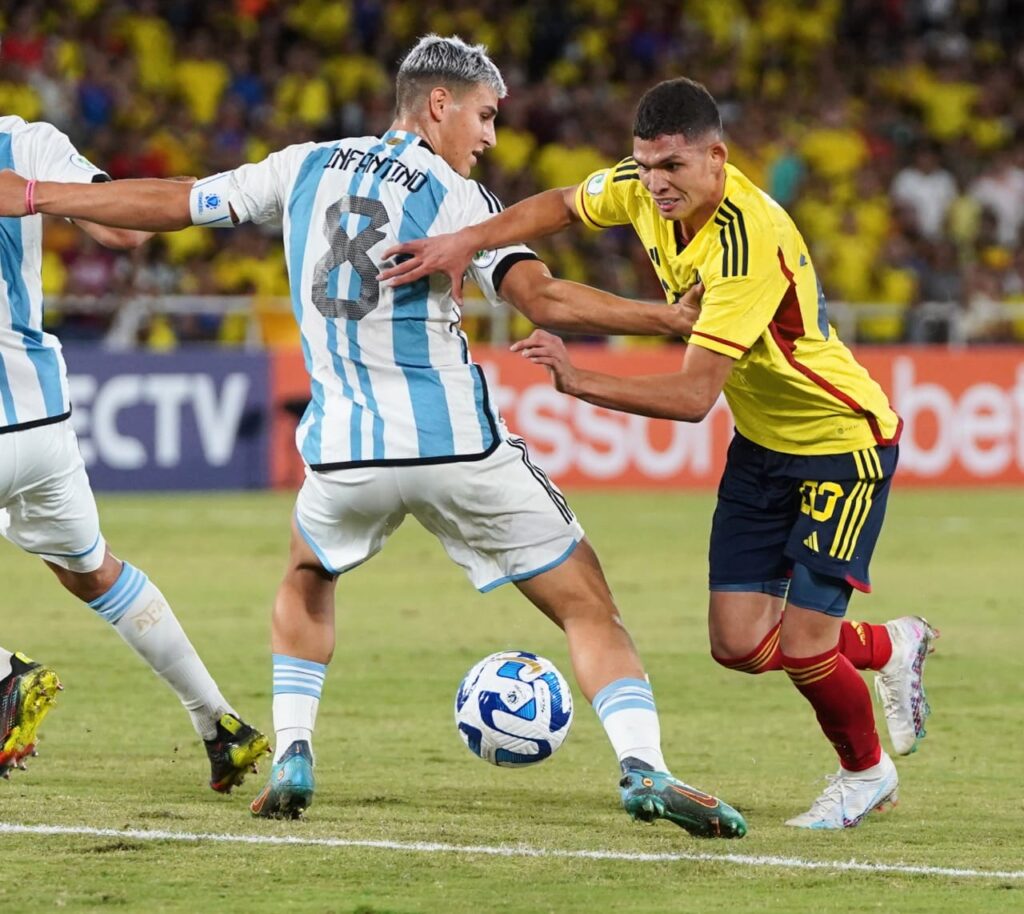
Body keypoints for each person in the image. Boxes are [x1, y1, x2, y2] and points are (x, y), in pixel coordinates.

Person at [0, 37, 748, 838]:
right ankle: (643, 764)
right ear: (438, 104)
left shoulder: (301, 165)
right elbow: (546, 300)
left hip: (346, 453)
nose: (490, 136)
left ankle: (293, 750)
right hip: (457, 445)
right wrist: (663, 318)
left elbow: (176, 205)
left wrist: (38, 196)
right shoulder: (461, 198)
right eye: (485, 116)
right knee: (587, 606)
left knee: (305, 576)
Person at [378, 77, 938, 830]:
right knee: (738, 643)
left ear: (716, 158)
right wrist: (467, 240)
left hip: (842, 442)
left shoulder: (748, 242)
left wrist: (578, 379)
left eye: (672, 167)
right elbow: (563, 203)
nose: (655, 183)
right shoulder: (643, 189)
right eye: (645, 166)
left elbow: (693, 396)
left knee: (807, 647)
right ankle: (888, 645)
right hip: (762, 444)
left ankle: (866, 774)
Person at [0, 113, 269, 789]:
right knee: (92, 572)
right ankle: (218, 723)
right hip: (42, 419)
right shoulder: (26, 141)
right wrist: (167, 195)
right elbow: (123, 228)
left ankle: (5, 678)